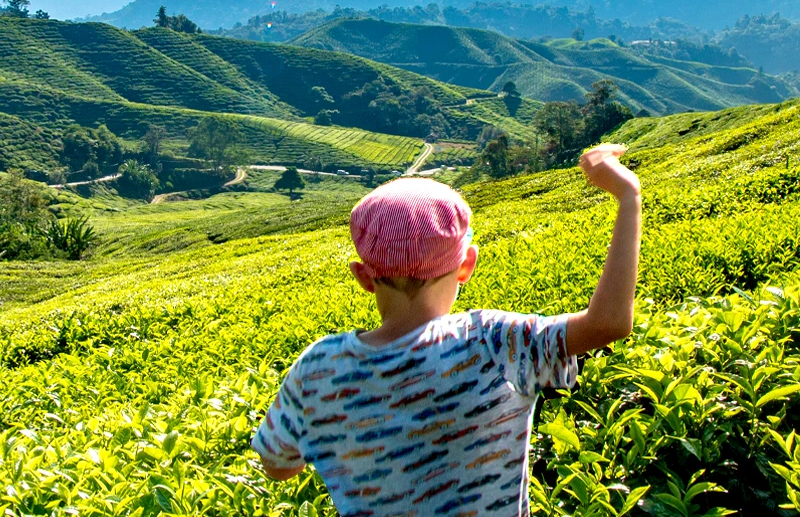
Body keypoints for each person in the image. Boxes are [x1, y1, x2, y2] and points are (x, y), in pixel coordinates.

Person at [251, 143, 641, 516]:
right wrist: (628, 196)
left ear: (364, 277)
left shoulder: (318, 368)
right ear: (467, 265)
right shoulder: (494, 342)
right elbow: (609, 323)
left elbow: (278, 465)